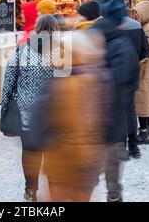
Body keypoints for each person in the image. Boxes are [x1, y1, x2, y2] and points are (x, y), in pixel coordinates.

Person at [34, 31, 111, 202]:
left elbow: (73, 132)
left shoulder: (67, 83)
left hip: (66, 165)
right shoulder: (91, 79)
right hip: (79, 166)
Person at [2, 14, 61, 202]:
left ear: (37, 28)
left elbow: (9, 82)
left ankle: (31, 190)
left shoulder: (21, 51)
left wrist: (5, 107)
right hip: (54, 113)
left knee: (29, 152)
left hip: (27, 111)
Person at [92, 0, 140, 202]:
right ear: (120, 20)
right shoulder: (124, 46)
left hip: (84, 120)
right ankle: (113, 198)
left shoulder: (87, 37)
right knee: (112, 172)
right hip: (112, 122)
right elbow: (128, 87)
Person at [119, 2, 149, 159]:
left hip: (116, 74)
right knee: (130, 109)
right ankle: (133, 146)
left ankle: (121, 146)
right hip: (133, 71)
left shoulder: (113, 26)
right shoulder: (137, 26)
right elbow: (146, 50)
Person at [132, 0, 149, 145]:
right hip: (147, 67)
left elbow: (147, 48)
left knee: (143, 98)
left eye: (139, 13)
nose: (137, 17)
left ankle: (144, 132)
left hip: (145, 68)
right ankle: (148, 130)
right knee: (146, 97)